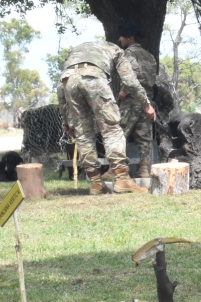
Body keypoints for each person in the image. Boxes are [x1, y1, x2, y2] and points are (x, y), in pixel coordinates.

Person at [57, 40, 156, 194]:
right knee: (111, 129)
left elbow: (60, 88)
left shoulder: (75, 52)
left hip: (69, 81)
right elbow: (130, 81)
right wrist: (146, 104)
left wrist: (66, 122)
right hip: (94, 78)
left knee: (83, 133)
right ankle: (122, 179)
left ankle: (95, 183)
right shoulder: (116, 50)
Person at [117, 21, 159, 178]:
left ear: (129, 38)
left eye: (122, 37)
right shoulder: (150, 56)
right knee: (144, 137)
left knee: (120, 134)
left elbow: (132, 75)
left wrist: (124, 92)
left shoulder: (128, 54)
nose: (120, 40)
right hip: (147, 101)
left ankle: (116, 169)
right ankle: (143, 169)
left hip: (131, 100)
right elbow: (152, 77)